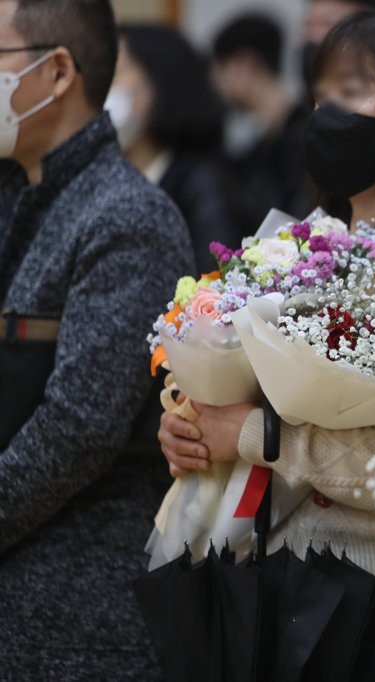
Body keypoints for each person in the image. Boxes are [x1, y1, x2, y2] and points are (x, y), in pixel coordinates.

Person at [158, 11, 375, 681]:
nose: (326, 114)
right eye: (320, 96)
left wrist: (256, 435)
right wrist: (193, 428)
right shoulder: (298, 249)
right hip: (290, 591)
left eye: (353, 91)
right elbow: (243, 401)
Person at [0, 0, 192, 676]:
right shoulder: (15, 191)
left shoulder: (127, 216)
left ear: (56, 73)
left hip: (68, 613)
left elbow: (79, 427)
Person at [111, 24, 241, 272]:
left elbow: (216, 280)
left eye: (115, 73)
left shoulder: (203, 184)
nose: (101, 89)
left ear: (158, 84)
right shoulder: (106, 179)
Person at [213, 13, 310, 231]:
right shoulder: (261, 141)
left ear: (245, 65)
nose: (216, 80)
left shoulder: (302, 136)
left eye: (221, 67)